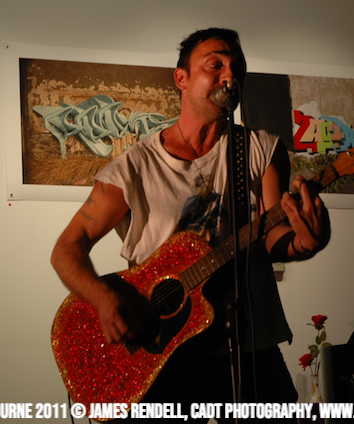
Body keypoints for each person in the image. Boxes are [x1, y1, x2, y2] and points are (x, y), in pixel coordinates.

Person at [51, 28, 331, 422]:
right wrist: (103, 298)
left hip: (249, 348)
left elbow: (273, 239)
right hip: (164, 354)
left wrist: (304, 243)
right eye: (215, 65)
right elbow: (67, 248)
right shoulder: (134, 168)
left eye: (236, 67)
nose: (229, 75)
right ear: (181, 78)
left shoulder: (260, 149)